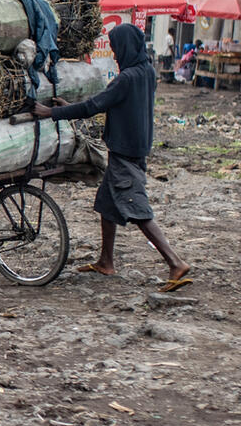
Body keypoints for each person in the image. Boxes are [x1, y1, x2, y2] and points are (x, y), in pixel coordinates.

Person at [32, 22, 191, 291]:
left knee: (138, 209)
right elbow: (109, 103)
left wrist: (52, 113)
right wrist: (72, 107)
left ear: (126, 47)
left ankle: (175, 263)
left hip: (125, 152)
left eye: (117, 48)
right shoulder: (146, 73)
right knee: (106, 205)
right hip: (136, 148)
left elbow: (95, 105)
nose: (115, 55)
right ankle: (106, 261)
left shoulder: (126, 79)